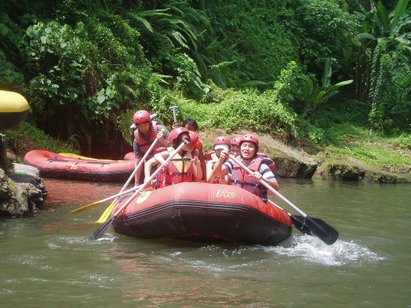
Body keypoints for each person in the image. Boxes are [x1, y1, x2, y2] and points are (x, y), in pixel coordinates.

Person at [210, 133, 279, 201]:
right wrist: (221, 159)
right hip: (236, 199)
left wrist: (262, 179)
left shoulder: (262, 166)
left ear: (255, 150)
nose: (247, 148)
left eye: (250, 146)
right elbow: (216, 173)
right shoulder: (233, 162)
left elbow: (275, 187)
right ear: (240, 148)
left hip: (255, 203)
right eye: (244, 145)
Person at [132, 110, 169, 184]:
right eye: (140, 126)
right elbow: (138, 161)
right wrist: (136, 183)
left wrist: (162, 140)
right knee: (151, 179)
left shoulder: (161, 130)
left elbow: (173, 147)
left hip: (166, 159)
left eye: (145, 125)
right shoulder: (136, 140)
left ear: (149, 123)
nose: (143, 128)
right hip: (151, 165)